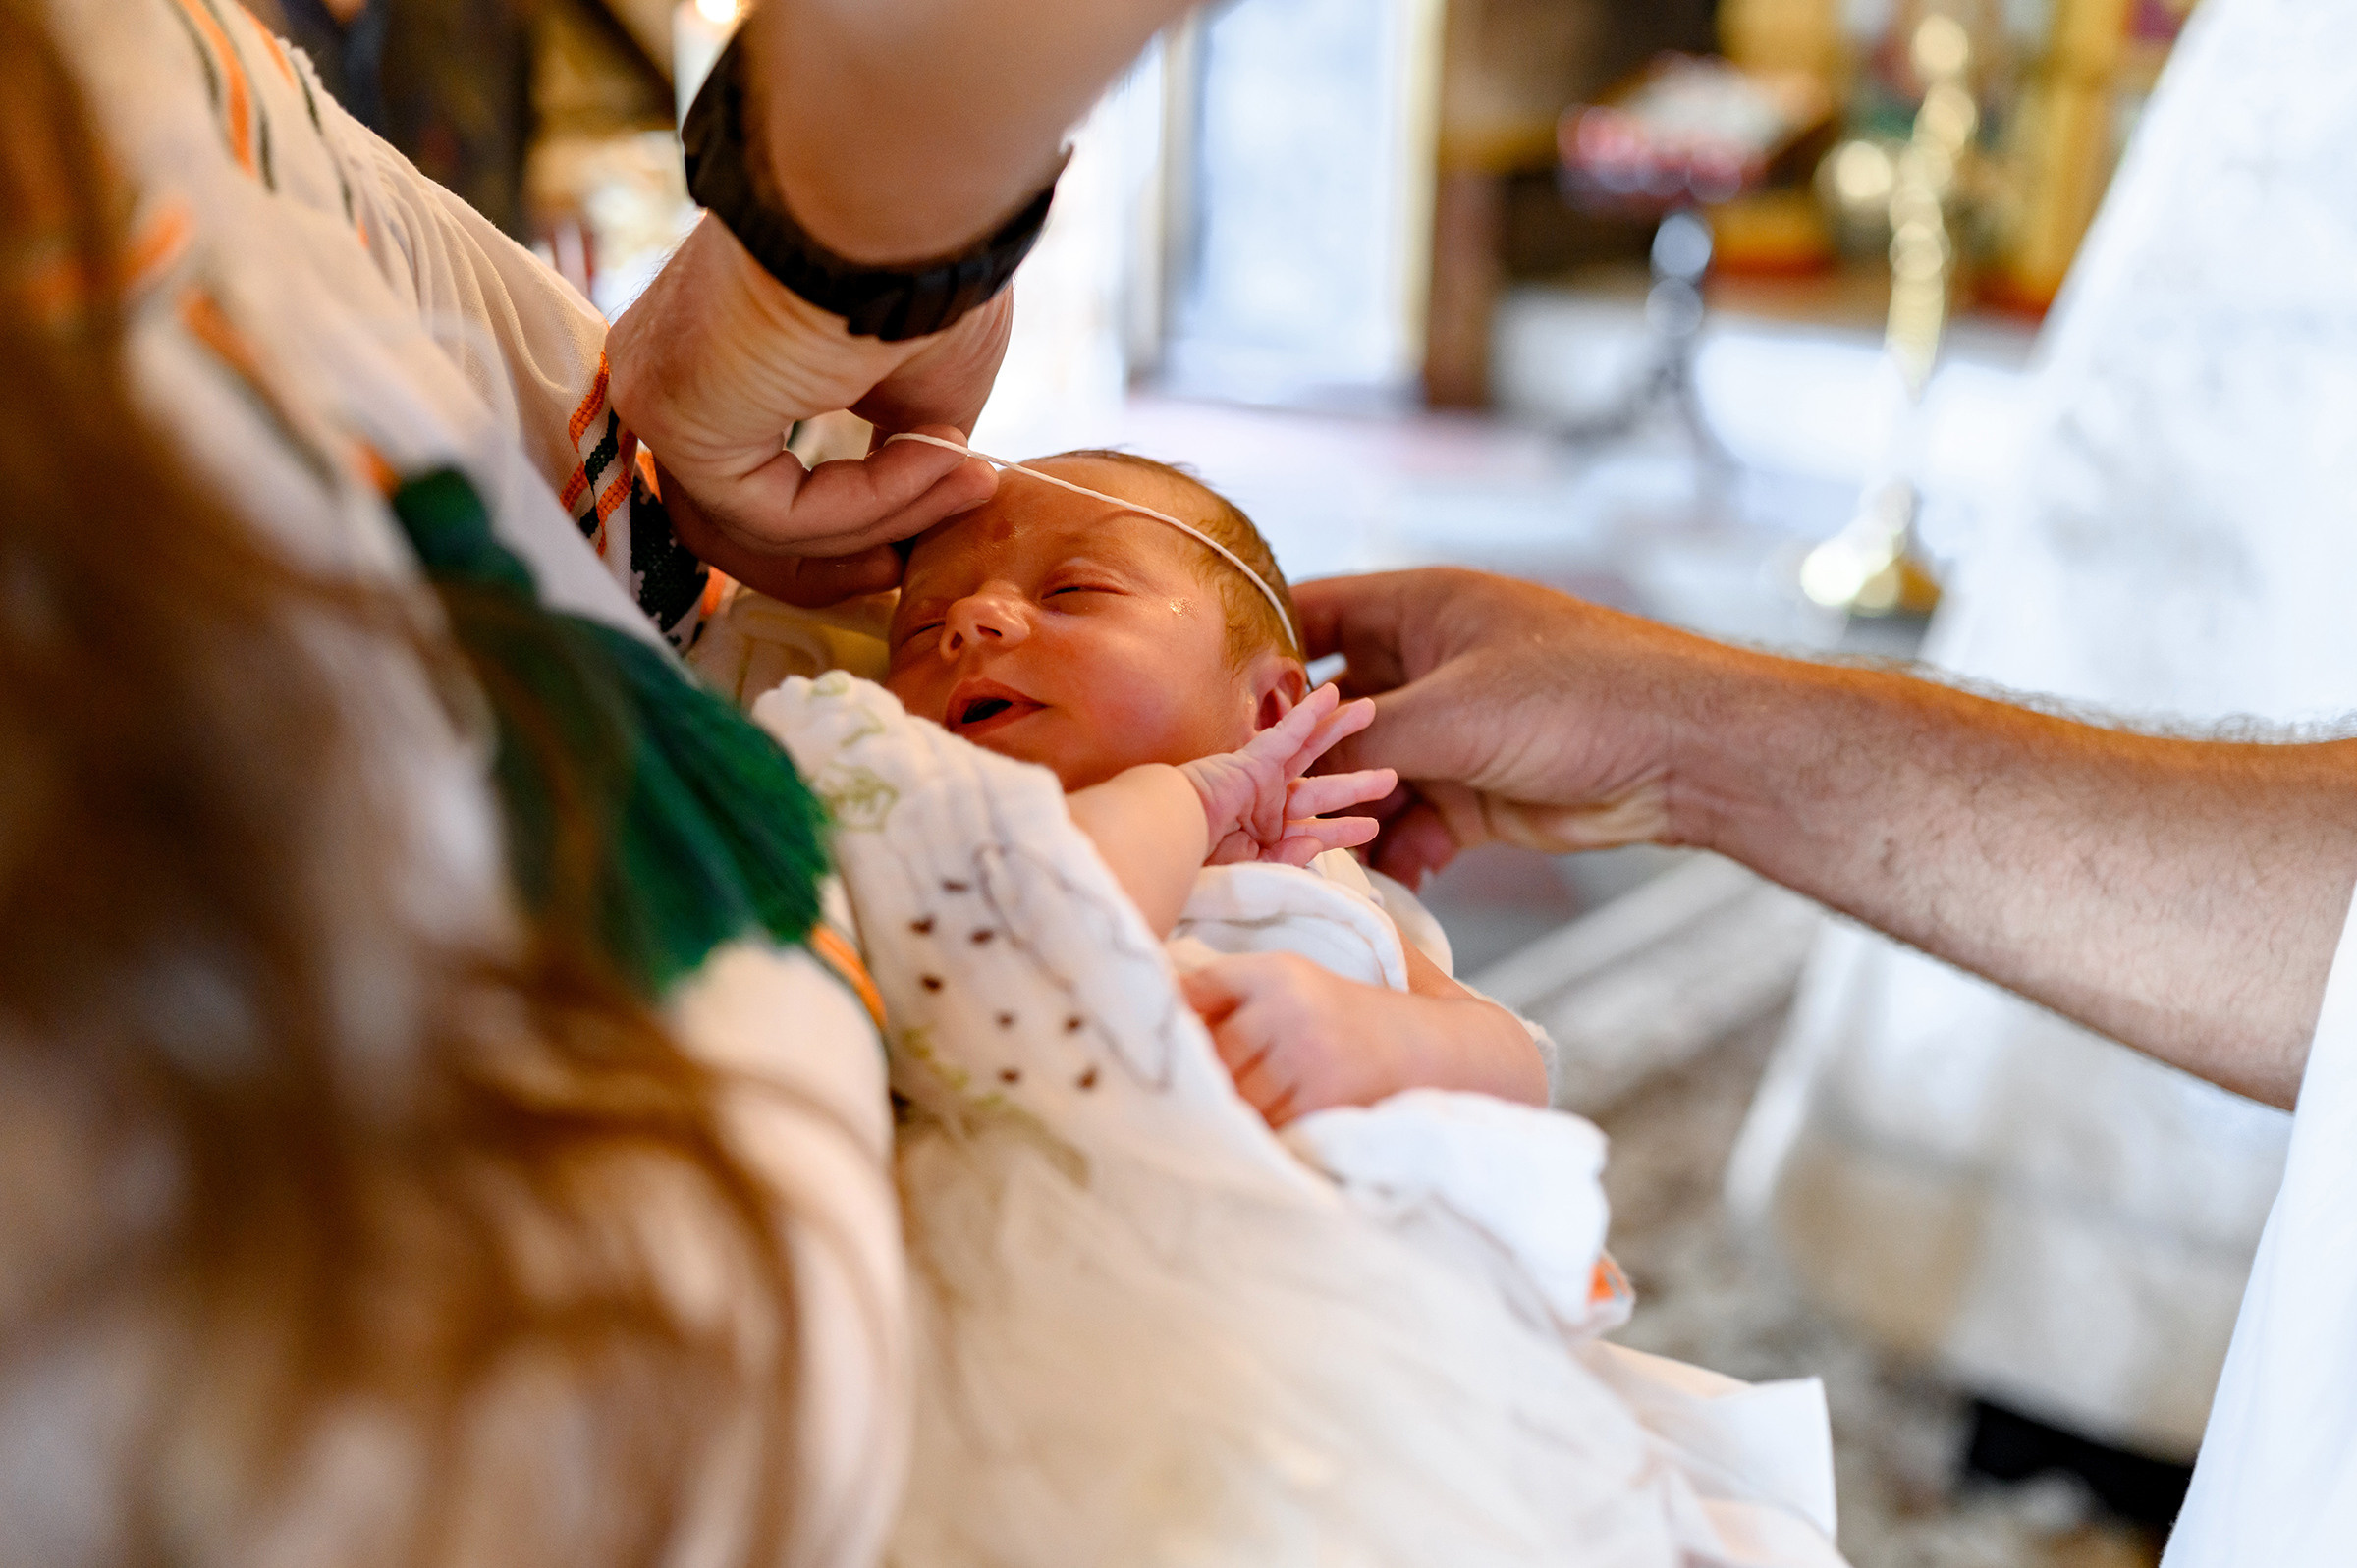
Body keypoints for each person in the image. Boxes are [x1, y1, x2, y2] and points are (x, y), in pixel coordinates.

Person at [879, 449, 1549, 1121]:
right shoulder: (909, 835)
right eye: (923, 628)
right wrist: (1177, 806)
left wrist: (1381, 1040)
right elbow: (1058, 916)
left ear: (1268, 718)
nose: (970, 618)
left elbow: (1518, 1063)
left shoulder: (1309, 871)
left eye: (1074, 590)